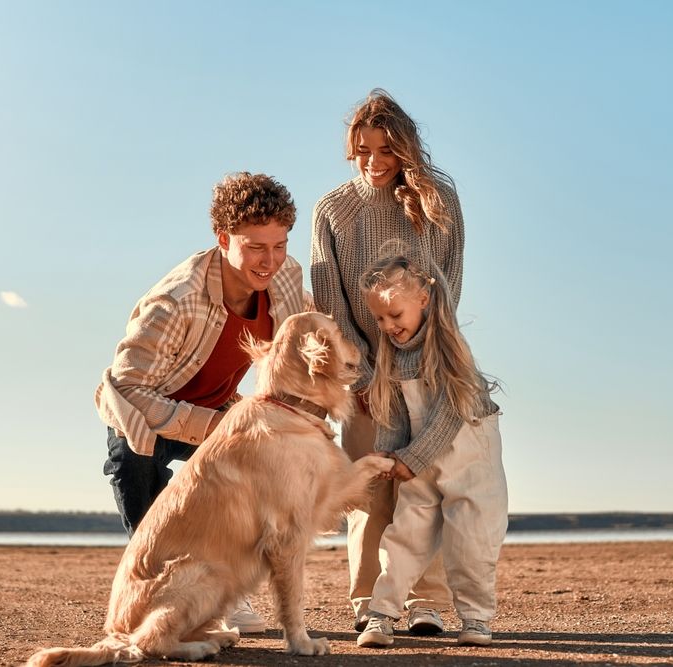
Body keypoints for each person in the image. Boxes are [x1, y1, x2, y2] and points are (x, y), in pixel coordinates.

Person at [95, 171, 306, 634]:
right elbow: (130, 389)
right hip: (145, 417)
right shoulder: (176, 300)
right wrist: (215, 430)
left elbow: (299, 341)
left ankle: (231, 595)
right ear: (224, 238)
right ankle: (159, 599)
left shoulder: (286, 277)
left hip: (219, 409)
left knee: (258, 475)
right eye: (255, 246)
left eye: (280, 244)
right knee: (142, 481)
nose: (269, 260)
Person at [310, 88, 465, 634]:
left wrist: (423, 358)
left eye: (384, 150)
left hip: (425, 368)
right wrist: (359, 372)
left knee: (422, 489)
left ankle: (425, 603)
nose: (373, 163)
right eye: (362, 151)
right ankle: (367, 604)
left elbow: (448, 285)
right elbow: (329, 296)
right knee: (370, 492)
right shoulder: (333, 209)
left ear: (405, 150)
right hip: (361, 377)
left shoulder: (437, 201)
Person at [353, 244, 507, 648]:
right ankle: (383, 613)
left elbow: (449, 414)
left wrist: (412, 458)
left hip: (469, 456)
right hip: (419, 461)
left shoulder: (449, 349)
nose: (388, 325)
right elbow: (394, 414)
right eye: (380, 318)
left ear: (423, 299)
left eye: (396, 314)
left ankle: (475, 618)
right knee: (404, 533)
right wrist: (388, 456)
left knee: (471, 536)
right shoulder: (391, 354)